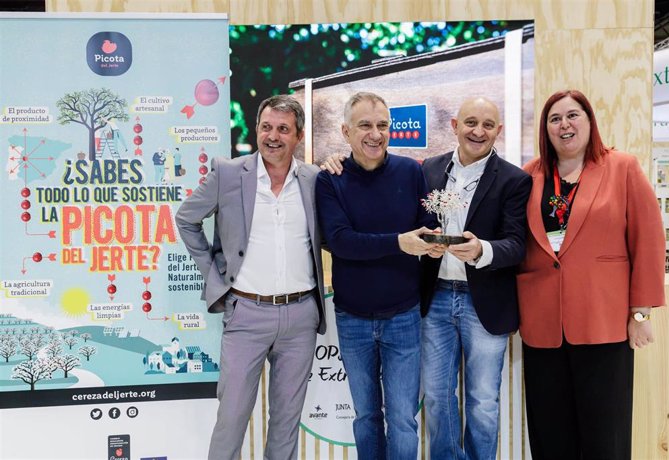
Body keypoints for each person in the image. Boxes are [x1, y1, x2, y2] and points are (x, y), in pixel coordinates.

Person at [517, 89, 666, 459]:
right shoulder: (529, 176)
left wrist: (641, 312)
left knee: (605, 435)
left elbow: (647, 241)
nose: (564, 124)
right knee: (551, 435)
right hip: (543, 327)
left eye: (572, 115)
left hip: (604, 323)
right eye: (554, 118)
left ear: (589, 120)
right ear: (545, 129)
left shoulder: (622, 168)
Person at [175, 95, 326, 460]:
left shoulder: (314, 179)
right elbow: (186, 218)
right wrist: (215, 276)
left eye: (283, 129)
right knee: (231, 420)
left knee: (286, 424)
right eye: (266, 127)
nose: (272, 136)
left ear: (299, 136)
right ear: (257, 129)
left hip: (301, 316)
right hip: (245, 314)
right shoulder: (229, 173)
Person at [315, 91, 442, 460]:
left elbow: (427, 225)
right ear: (345, 131)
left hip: (403, 316)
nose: (375, 133)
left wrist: (433, 241)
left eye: (383, 125)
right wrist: (400, 242)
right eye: (365, 125)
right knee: (366, 416)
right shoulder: (330, 180)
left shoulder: (411, 171)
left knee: (403, 419)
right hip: (353, 318)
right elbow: (341, 242)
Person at [418, 97, 531, 460]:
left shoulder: (515, 180)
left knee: (483, 401)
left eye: (487, 125)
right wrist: (424, 245)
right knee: (436, 396)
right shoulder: (428, 170)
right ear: (454, 125)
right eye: (470, 122)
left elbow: (517, 245)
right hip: (434, 298)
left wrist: (482, 250)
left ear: (499, 130)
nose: (478, 131)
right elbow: (411, 227)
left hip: (484, 301)